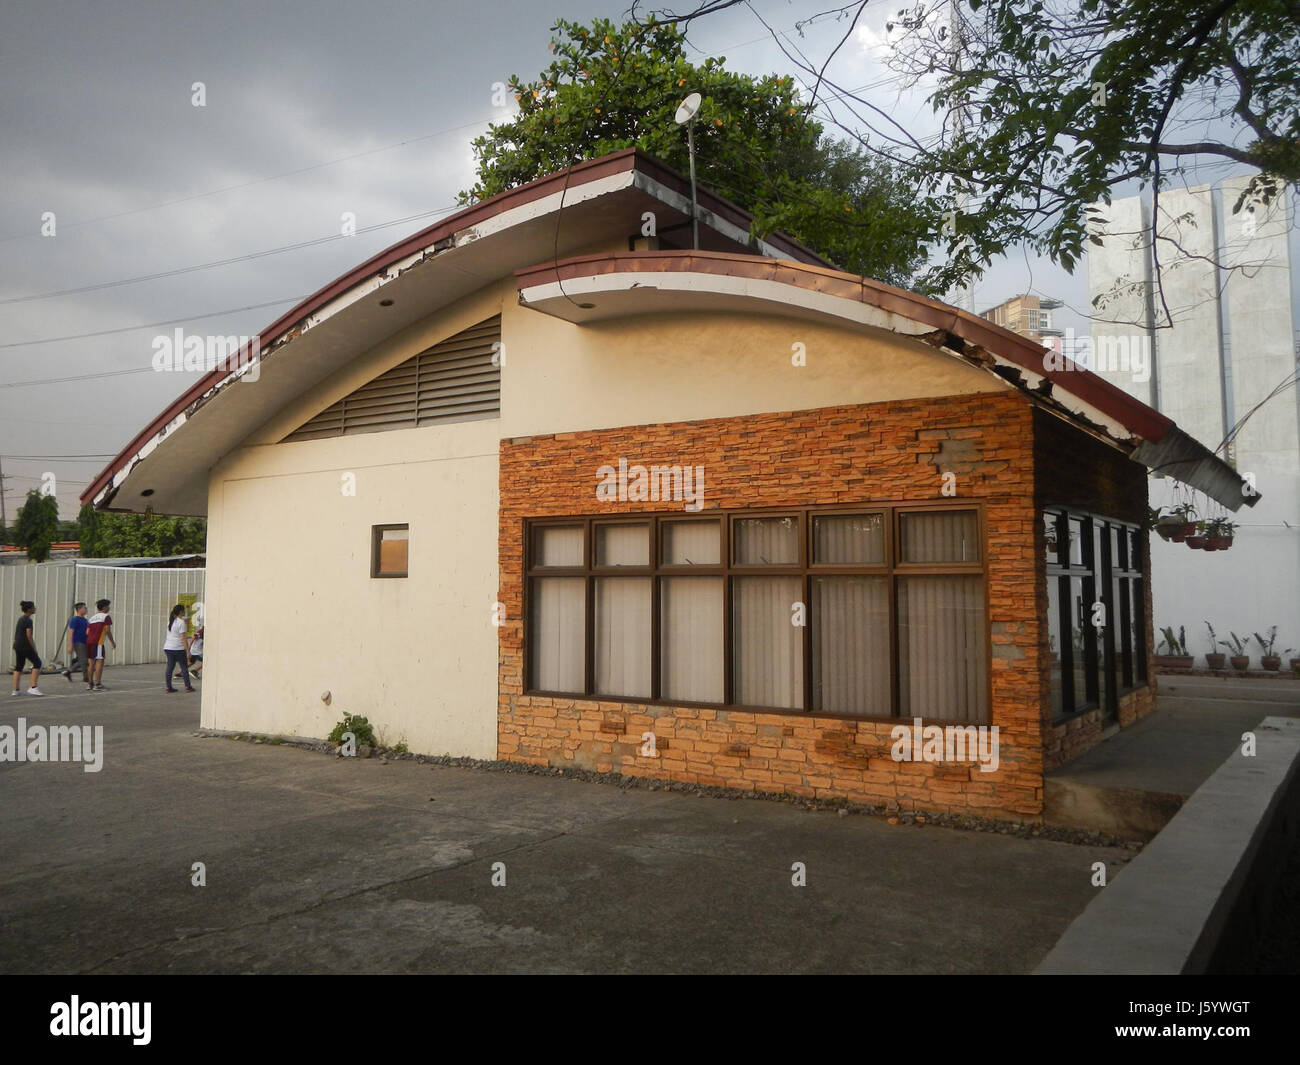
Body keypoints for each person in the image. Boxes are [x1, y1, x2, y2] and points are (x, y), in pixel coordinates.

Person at [11, 601, 43, 697]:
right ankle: (33, 687)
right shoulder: (28, 620)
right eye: (33, 607)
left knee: (19, 667)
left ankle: (15, 690)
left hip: (17, 645)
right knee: (37, 663)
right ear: (29, 610)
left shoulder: (21, 619)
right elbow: (29, 635)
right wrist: (33, 647)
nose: (35, 609)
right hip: (25, 646)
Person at [85, 599, 115, 692]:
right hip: (98, 643)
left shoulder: (92, 618)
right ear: (104, 607)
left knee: (91, 664)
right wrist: (112, 641)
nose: (109, 608)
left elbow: (87, 632)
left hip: (89, 642)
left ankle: (90, 684)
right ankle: (97, 684)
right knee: (99, 662)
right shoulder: (106, 617)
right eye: (108, 606)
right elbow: (107, 630)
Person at [163, 604, 194, 693]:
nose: (185, 612)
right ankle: (188, 687)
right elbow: (183, 638)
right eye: (183, 610)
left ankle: (168, 687)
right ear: (181, 612)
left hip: (168, 647)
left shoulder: (170, 621)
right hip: (178, 648)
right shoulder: (181, 622)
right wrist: (188, 650)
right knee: (184, 667)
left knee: (170, 667)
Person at [63, 602, 89, 685]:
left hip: (85, 642)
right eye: (85, 608)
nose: (86, 609)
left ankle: (68, 672)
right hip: (78, 642)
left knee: (83, 660)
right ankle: (86, 678)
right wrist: (70, 645)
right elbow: (71, 633)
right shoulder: (75, 620)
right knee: (84, 660)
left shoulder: (85, 620)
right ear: (79, 609)